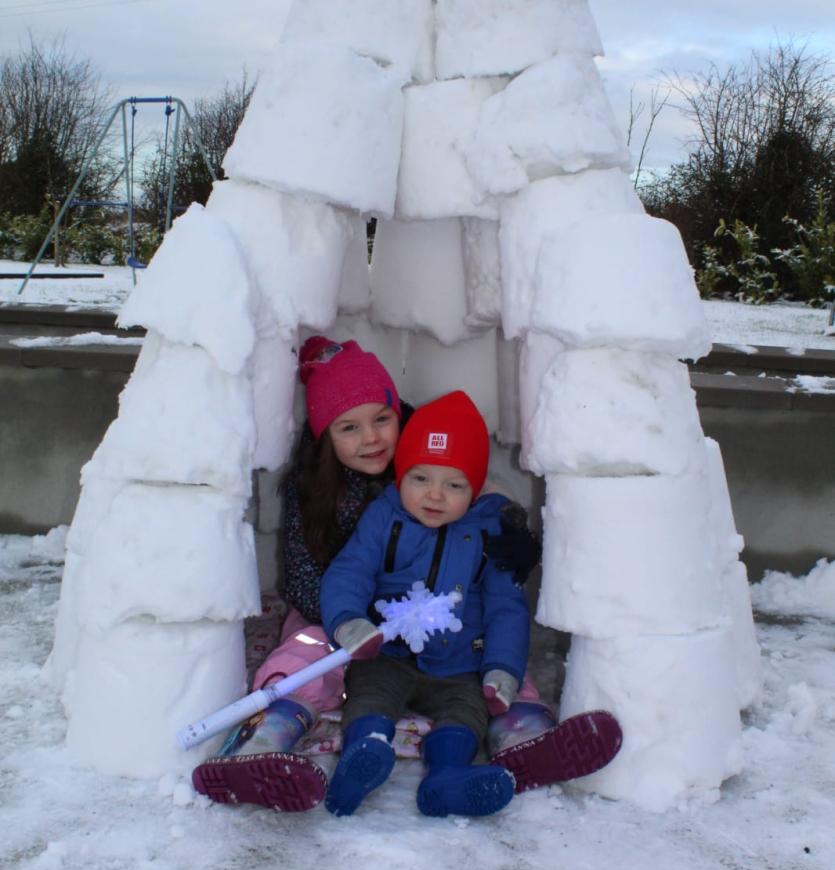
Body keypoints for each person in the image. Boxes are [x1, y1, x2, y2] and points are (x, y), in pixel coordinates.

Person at [191, 336, 621, 812]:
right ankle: (264, 741)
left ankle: (523, 738)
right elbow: (318, 574)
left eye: (382, 419)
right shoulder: (317, 489)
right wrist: (353, 621)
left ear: (400, 416)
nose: (371, 438)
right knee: (308, 654)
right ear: (325, 435)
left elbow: (480, 515)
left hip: (446, 641)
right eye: (349, 427)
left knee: (498, 665)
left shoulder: (436, 465)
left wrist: (507, 527)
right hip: (339, 614)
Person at [321, 389, 529, 819]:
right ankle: (365, 753)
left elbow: (506, 607)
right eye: (420, 479)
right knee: (368, 693)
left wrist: (502, 668)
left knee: (468, 712)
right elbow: (351, 570)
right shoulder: (385, 515)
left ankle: (447, 775)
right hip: (388, 653)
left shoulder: (492, 532)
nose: (434, 495)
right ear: (402, 475)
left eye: (454, 485)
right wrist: (348, 622)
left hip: (458, 665)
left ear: (475, 488)